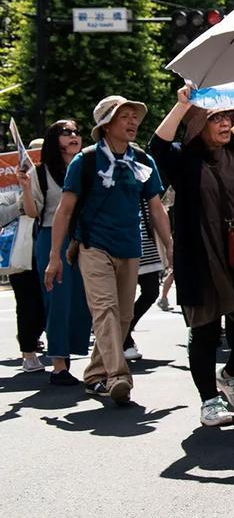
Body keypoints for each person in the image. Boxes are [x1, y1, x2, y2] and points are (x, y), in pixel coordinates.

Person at [150, 87, 234, 427]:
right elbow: (159, 145)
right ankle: (209, 401)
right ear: (197, 124)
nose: (226, 123)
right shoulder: (183, 159)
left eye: (228, 116)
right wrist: (182, 105)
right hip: (202, 255)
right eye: (216, 118)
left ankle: (232, 374)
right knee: (205, 330)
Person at [44, 96, 172, 406]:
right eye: (124, 116)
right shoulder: (85, 161)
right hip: (92, 246)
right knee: (105, 311)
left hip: (130, 248)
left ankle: (94, 376)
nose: (133, 122)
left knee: (124, 316)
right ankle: (118, 376)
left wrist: (171, 247)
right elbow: (65, 209)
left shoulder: (143, 160)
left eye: (134, 116)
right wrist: (54, 256)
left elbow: (156, 208)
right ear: (106, 125)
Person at [26, 120, 92, 385]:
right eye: (66, 133)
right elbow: (32, 212)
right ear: (54, 140)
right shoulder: (39, 173)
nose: (74, 136)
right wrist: (23, 186)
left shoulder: (86, 166)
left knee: (82, 300)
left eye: (76, 132)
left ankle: (73, 355)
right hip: (52, 238)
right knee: (58, 300)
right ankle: (58, 365)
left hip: (84, 237)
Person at [5, 167, 44, 373]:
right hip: (21, 256)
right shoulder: (7, 190)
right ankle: (28, 352)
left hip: (46, 250)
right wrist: (21, 202)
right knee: (27, 304)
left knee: (45, 304)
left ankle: (31, 337)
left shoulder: (47, 181)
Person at [121, 207, 165, 362]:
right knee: (124, 298)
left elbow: (158, 211)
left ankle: (125, 331)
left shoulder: (145, 183)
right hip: (122, 245)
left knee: (151, 292)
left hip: (147, 248)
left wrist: (168, 244)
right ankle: (124, 340)